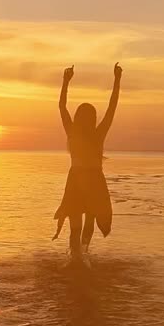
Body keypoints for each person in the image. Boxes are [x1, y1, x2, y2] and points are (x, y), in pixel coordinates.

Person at [53, 62, 122, 265]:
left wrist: (65, 82)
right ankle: (80, 257)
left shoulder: (84, 133)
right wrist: (117, 80)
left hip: (84, 179)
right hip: (84, 179)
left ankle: (79, 257)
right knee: (82, 221)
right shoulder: (85, 134)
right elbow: (111, 107)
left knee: (83, 222)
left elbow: (62, 107)